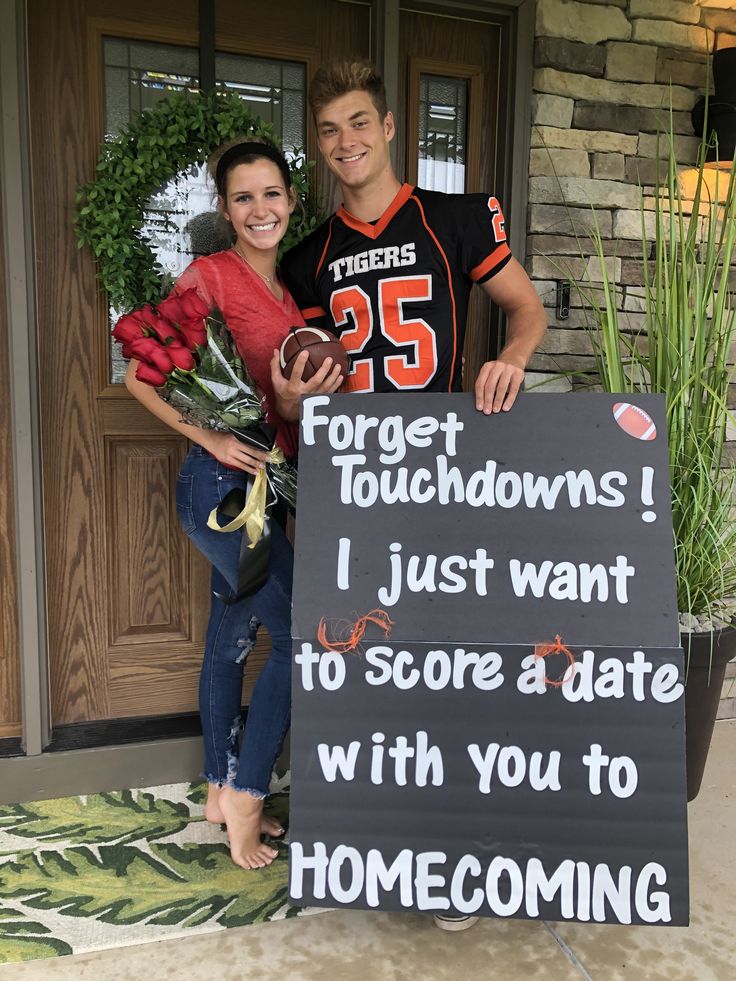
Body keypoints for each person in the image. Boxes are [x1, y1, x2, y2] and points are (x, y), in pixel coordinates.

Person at [270, 59, 547, 926]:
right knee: (365, 664)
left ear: (390, 127)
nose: (345, 142)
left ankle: (459, 848)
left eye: (358, 122)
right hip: (352, 482)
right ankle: (377, 840)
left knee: (452, 663)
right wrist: (288, 396)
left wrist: (510, 358)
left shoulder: (456, 217)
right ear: (317, 146)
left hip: (444, 474)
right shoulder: (311, 255)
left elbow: (526, 310)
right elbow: (292, 382)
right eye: (327, 131)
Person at [125, 139, 342, 870]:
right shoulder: (211, 275)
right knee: (299, 637)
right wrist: (212, 441)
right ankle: (250, 793)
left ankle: (220, 787)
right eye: (243, 198)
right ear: (225, 208)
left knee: (230, 636)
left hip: (261, 491)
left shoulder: (287, 297)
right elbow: (140, 375)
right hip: (223, 491)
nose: (260, 209)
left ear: (290, 201)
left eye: (271, 195)